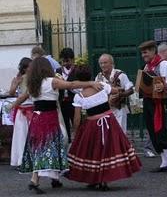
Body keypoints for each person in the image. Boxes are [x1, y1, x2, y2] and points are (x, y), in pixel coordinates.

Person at [20, 57, 102, 194]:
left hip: (37, 118)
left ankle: (54, 178)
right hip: (49, 118)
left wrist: (13, 105)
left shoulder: (32, 83)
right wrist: (91, 82)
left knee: (51, 145)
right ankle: (35, 179)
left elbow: (23, 97)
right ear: (46, 68)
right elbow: (71, 85)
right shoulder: (51, 81)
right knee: (51, 145)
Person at [67, 65, 141, 191]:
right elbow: (116, 91)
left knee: (93, 152)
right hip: (109, 121)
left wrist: (75, 130)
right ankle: (103, 180)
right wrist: (113, 90)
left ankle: (95, 179)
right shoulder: (101, 85)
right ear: (90, 76)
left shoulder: (79, 96)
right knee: (107, 150)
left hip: (92, 124)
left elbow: (77, 118)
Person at [138, 40, 167, 174]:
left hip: (160, 102)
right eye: (142, 53)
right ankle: (164, 162)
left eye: (146, 52)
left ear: (153, 51)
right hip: (148, 101)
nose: (144, 55)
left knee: (161, 131)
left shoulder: (163, 64)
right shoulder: (147, 67)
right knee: (152, 131)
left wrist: (165, 85)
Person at [95, 53, 134, 133]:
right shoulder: (98, 77)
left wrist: (119, 95)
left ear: (112, 64)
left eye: (105, 63)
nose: (103, 65)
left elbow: (130, 90)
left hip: (119, 109)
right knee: (108, 135)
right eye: (101, 63)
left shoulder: (120, 75)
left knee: (120, 133)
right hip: (105, 111)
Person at [9, 57, 33, 168]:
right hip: (22, 109)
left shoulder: (34, 78)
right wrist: (16, 83)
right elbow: (11, 92)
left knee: (31, 134)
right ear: (24, 68)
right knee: (21, 135)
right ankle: (21, 159)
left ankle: (31, 158)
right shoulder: (19, 78)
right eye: (29, 67)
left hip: (32, 108)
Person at [56, 47, 76, 143]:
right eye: (63, 61)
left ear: (72, 60)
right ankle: (67, 143)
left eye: (67, 61)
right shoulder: (58, 71)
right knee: (64, 124)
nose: (65, 63)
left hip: (74, 102)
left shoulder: (77, 70)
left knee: (76, 123)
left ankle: (77, 143)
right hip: (62, 102)